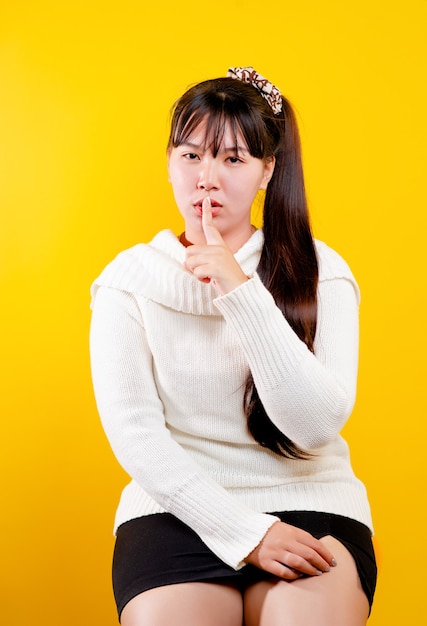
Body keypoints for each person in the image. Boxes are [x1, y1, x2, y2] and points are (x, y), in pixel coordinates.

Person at [89, 66, 377, 626]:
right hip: (176, 507)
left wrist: (240, 292)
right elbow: (136, 436)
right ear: (169, 163)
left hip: (310, 500)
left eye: (233, 159)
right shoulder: (130, 278)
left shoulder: (321, 271)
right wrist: (243, 532)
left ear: (268, 169)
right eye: (191, 156)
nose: (207, 178)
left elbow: (316, 426)